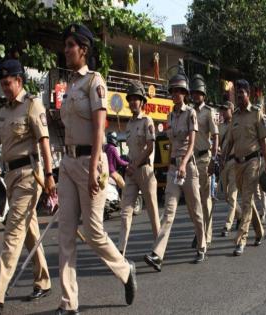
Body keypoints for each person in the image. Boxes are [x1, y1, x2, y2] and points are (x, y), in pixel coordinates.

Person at [57, 24, 137, 314]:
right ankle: (69, 303)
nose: (66, 50)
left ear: (84, 49)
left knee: (92, 231)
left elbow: (99, 128)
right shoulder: (69, 86)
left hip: (91, 162)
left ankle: (125, 270)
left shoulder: (94, 82)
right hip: (67, 164)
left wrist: (92, 167)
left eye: (70, 45)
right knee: (65, 233)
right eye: (65, 46)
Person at [0, 59, 55, 313]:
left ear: (19, 81)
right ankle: (43, 280)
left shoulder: (32, 105)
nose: (4, 87)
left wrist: (49, 175)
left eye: (8, 83)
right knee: (29, 231)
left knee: (12, 234)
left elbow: (44, 142)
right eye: (1, 83)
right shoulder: (4, 112)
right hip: (10, 178)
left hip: (29, 176)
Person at [144, 71, 207, 271]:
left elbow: (191, 144)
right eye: (173, 91)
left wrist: (182, 164)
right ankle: (158, 254)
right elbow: (171, 143)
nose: (176, 94)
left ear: (185, 93)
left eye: (179, 91)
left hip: (188, 166)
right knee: (168, 212)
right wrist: (169, 165)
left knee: (195, 209)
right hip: (173, 167)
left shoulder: (191, 113)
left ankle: (202, 245)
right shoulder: (170, 115)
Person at [224, 79, 266, 256]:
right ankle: (259, 232)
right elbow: (230, 141)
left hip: (253, 161)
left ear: (248, 94)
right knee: (247, 200)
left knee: (246, 199)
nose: (239, 97)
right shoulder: (234, 116)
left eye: (241, 93)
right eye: (237, 94)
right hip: (237, 163)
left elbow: (264, 142)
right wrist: (222, 158)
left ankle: (241, 239)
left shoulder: (257, 114)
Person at [118, 80, 160, 255]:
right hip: (132, 172)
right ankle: (120, 252)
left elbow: (150, 147)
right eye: (131, 99)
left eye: (137, 98)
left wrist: (134, 164)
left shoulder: (147, 120)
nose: (133, 102)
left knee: (152, 213)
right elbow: (131, 150)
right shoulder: (129, 124)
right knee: (125, 212)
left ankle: (159, 251)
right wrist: (129, 164)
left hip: (144, 171)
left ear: (142, 102)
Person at [190, 74, 219, 248]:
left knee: (205, 199)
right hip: (191, 160)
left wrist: (213, 160)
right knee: (194, 201)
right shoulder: (189, 111)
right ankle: (199, 231)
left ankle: (206, 235)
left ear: (204, 95)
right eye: (193, 92)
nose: (195, 95)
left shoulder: (209, 112)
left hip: (204, 157)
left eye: (198, 93)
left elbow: (215, 136)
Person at [218, 101, 241, 237]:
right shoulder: (220, 126)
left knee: (232, 195)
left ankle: (227, 225)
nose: (223, 112)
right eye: (222, 110)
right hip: (224, 162)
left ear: (231, 110)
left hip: (234, 162)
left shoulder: (236, 125)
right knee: (226, 196)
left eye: (225, 110)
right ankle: (240, 215)